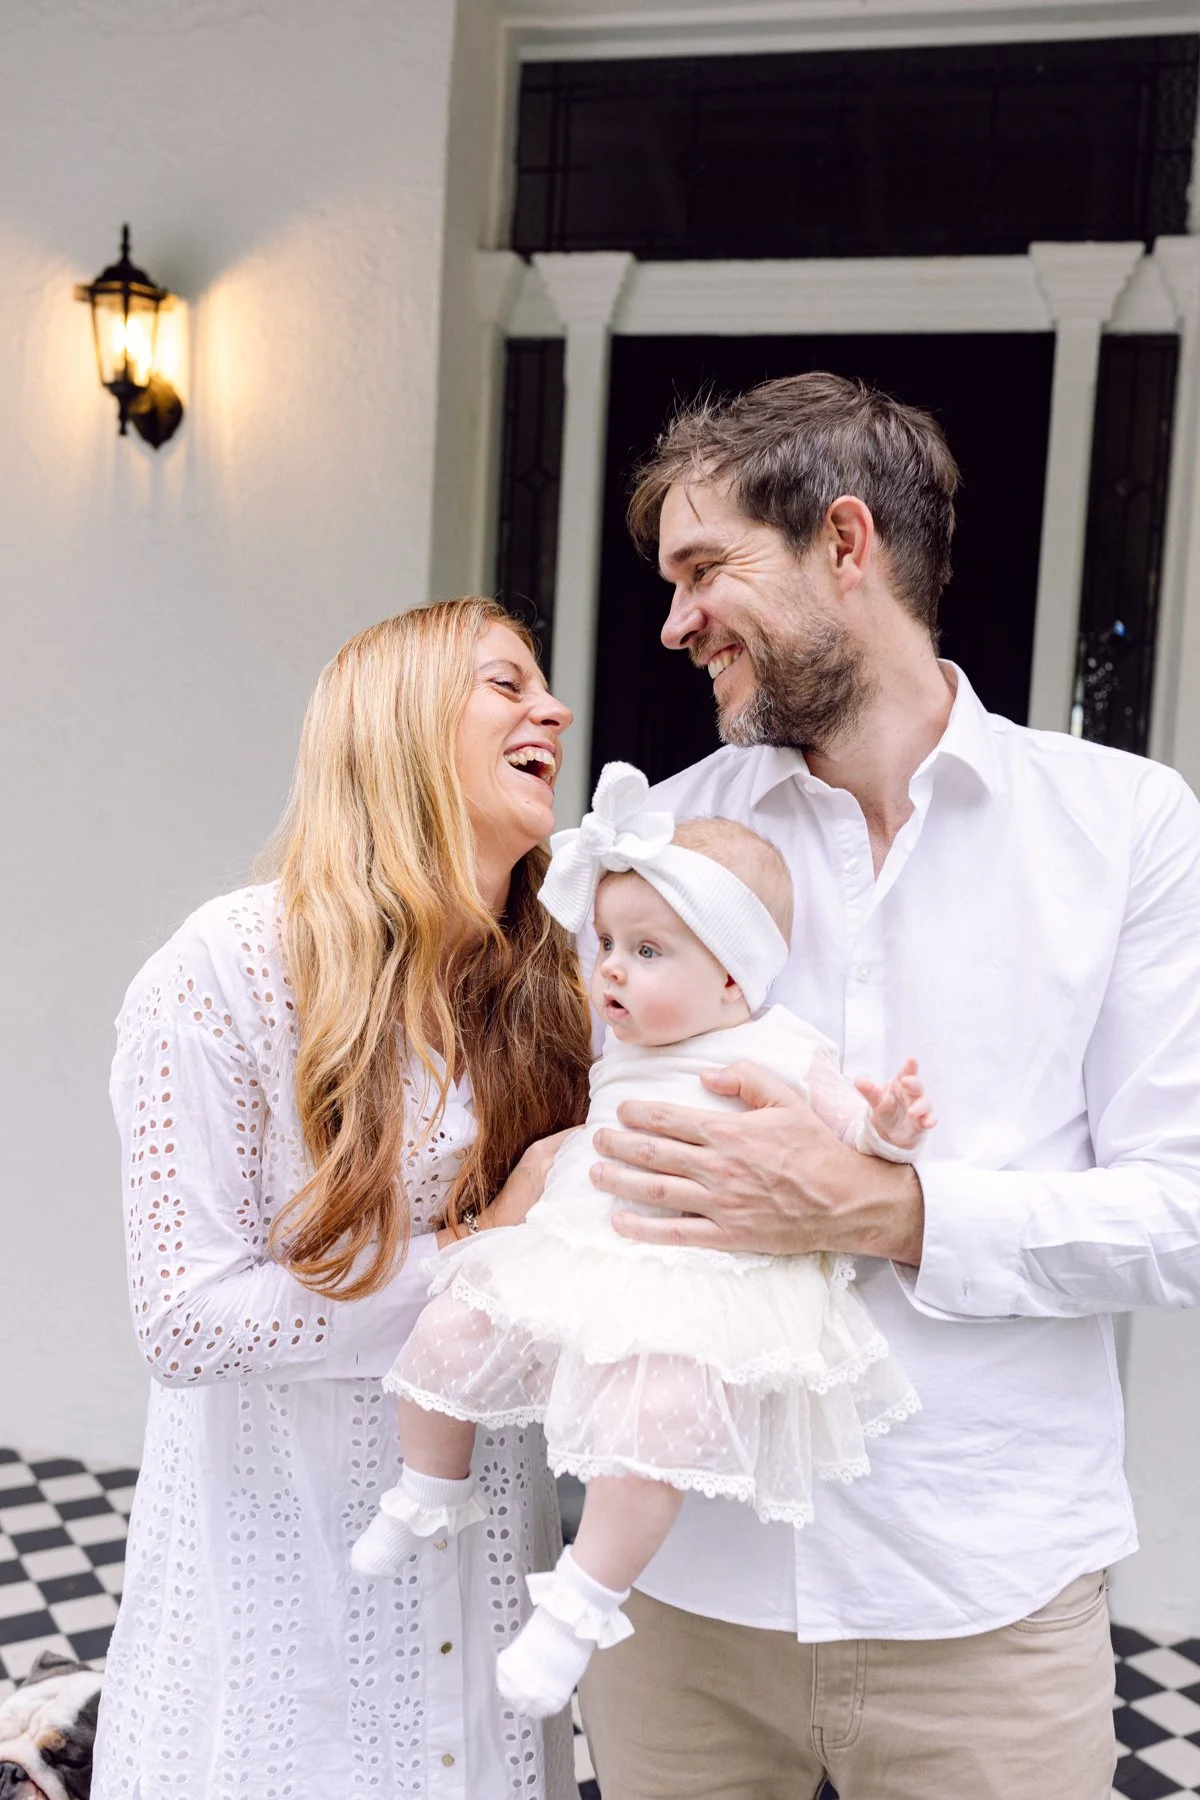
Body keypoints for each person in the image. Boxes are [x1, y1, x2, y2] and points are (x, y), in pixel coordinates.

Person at [574, 373, 1200, 1800]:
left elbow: (1182, 1213)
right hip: (681, 1596)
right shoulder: (657, 839)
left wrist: (885, 1208)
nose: (674, 622)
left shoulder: (1124, 829)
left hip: (984, 1605)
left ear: (845, 543)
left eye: (704, 570)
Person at [95, 599, 594, 1800]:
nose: (555, 711)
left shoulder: (566, 978)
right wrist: (484, 1249)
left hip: (485, 1596)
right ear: (400, 724)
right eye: (506, 684)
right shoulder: (224, 969)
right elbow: (187, 1322)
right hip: (277, 1611)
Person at [350, 765, 933, 1720]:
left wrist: (890, 1129)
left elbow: (849, 1137)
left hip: (700, 1288)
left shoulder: (784, 1048)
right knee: (449, 1328)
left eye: (648, 950)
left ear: (734, 976)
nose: (612, 969)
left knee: (654, 1428)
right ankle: (428, 1488)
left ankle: (581, 1602)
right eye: (609, 944)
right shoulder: (614, 1048)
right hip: (583, 1256)